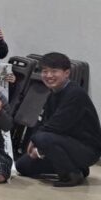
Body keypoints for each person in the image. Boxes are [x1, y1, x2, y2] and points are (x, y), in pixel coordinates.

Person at [15, 52, 101, 187]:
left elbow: (56, 126)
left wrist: (36, 142)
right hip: (63, 145)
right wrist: (36, 145)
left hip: (86, 150)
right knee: (22, 165)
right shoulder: (53, 93)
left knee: (42, 138)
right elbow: (43, 122)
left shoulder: (75, 94)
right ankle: (77, 168)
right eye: (45, 71)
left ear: (67, 73)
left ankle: (71, 175)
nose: (49, 76)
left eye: (54, 71)